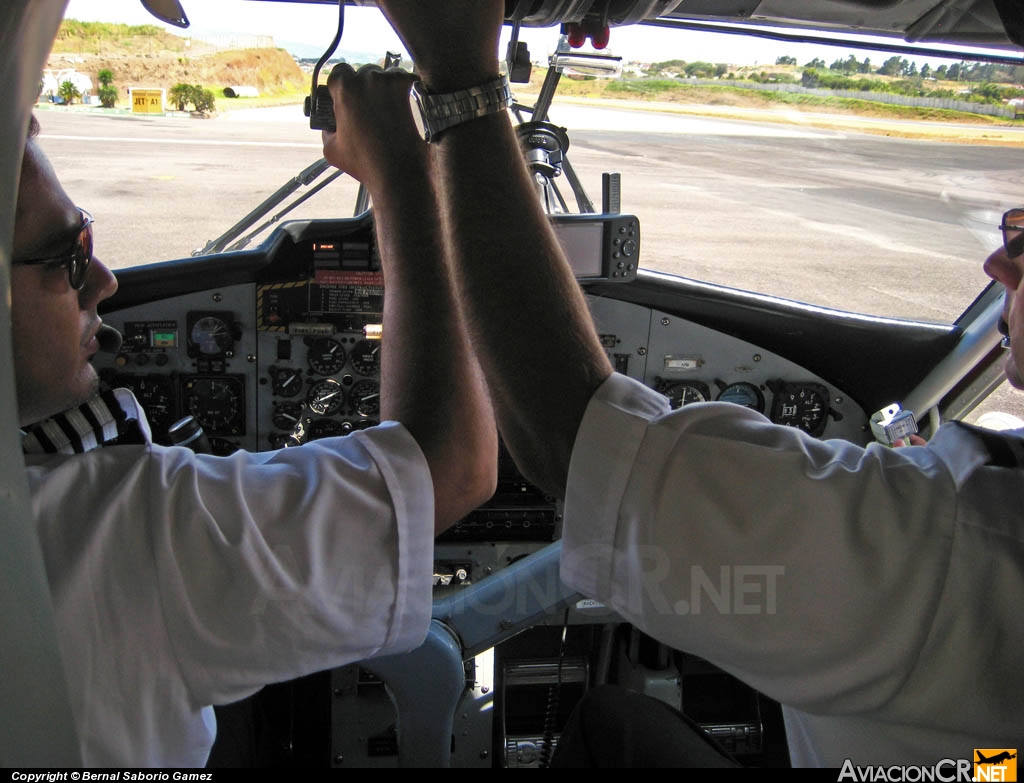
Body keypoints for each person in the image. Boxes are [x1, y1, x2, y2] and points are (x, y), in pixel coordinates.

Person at [324, 0, 1024, 767]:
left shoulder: (960, 543)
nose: (1001, 264)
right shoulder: (961, 526)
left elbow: (572, 434)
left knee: (605, 727)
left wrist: (457, 78)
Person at [12, 109, 497, 766]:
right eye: (67, 259)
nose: (105, 282)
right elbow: (454, 464)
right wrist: (403, 174)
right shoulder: (120, 534)